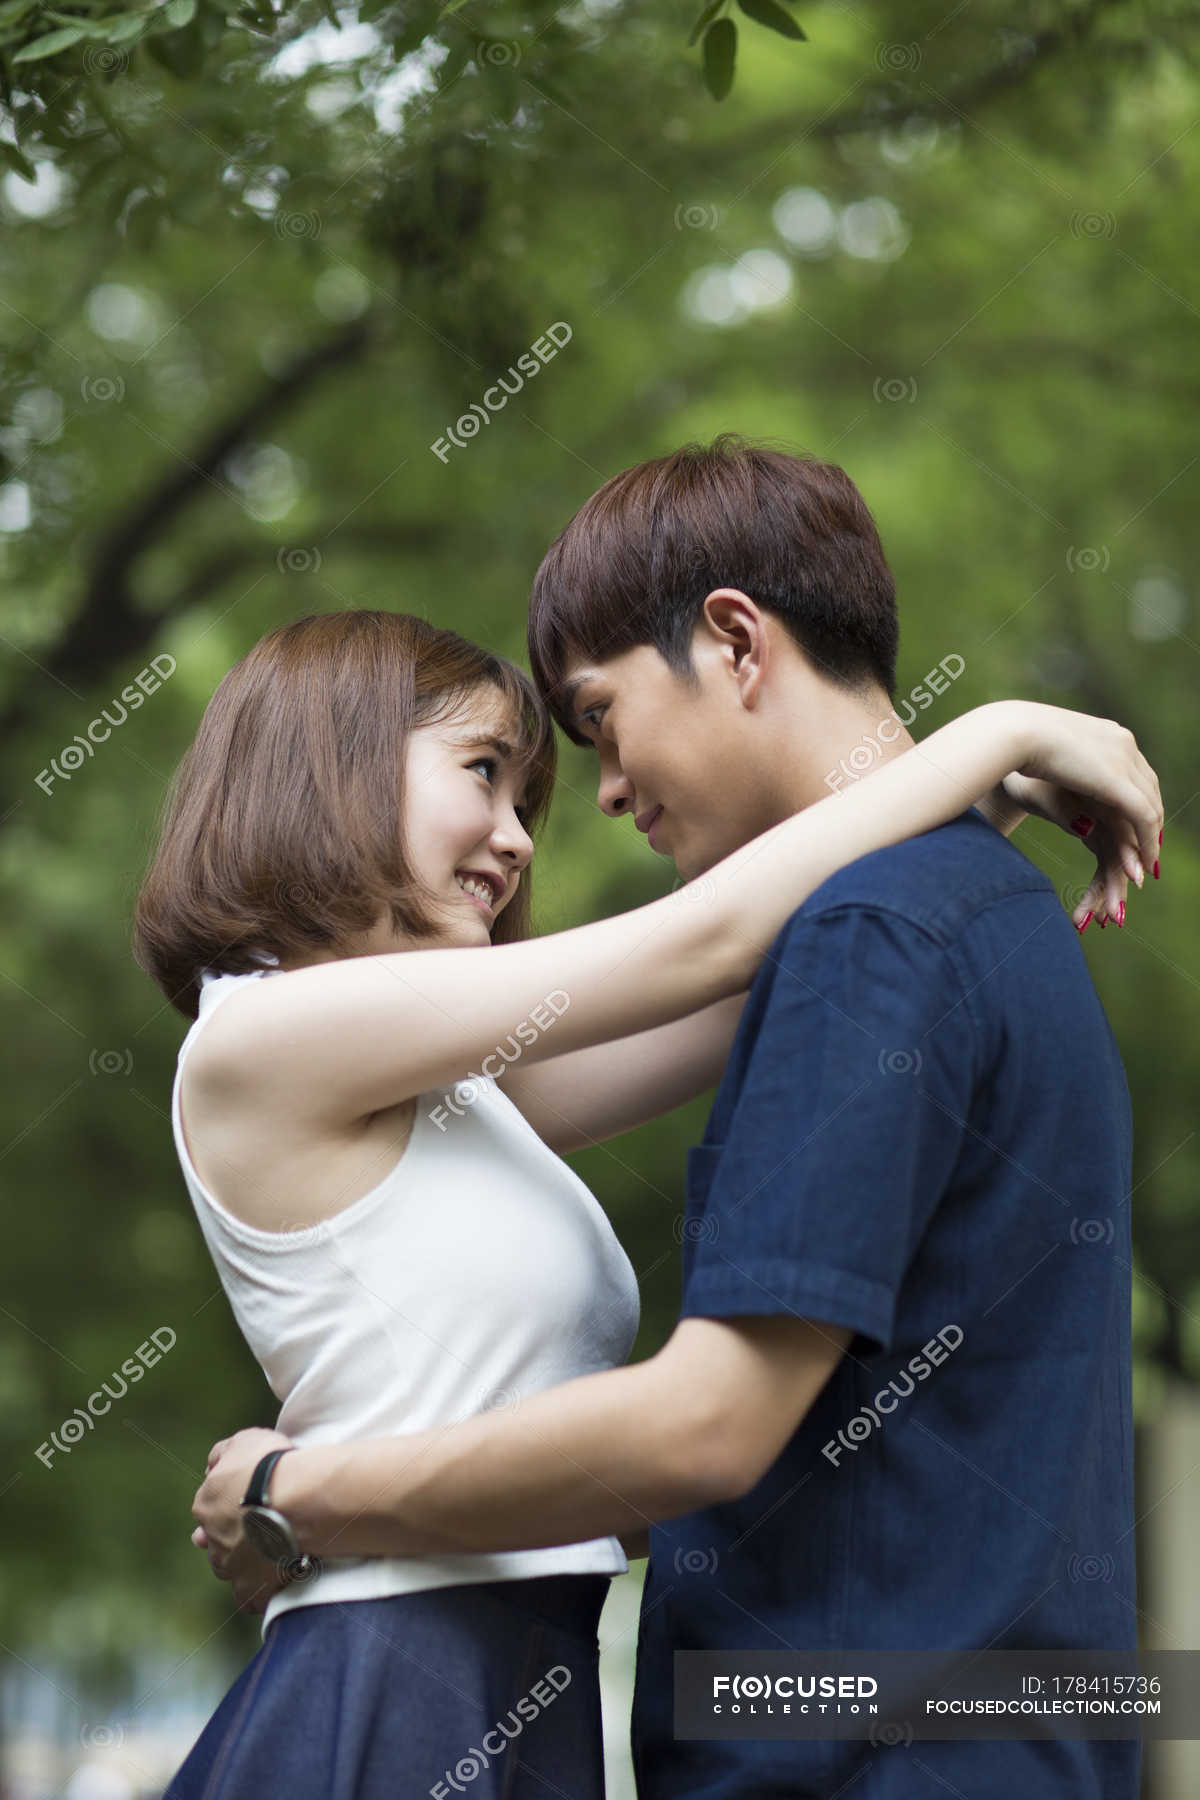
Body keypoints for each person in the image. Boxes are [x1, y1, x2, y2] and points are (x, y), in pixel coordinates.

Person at [185, 449, 1161, 1800]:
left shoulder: (496, 1086)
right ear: (332, 773)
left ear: (736, 643)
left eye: (575, 738)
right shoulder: (263, 1036)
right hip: (394, 1676)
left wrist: (298, 1492)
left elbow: (731, 969)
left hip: (558, 1691)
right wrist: (986, 739)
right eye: (489, 770)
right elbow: (706, 947)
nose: (542, 827)